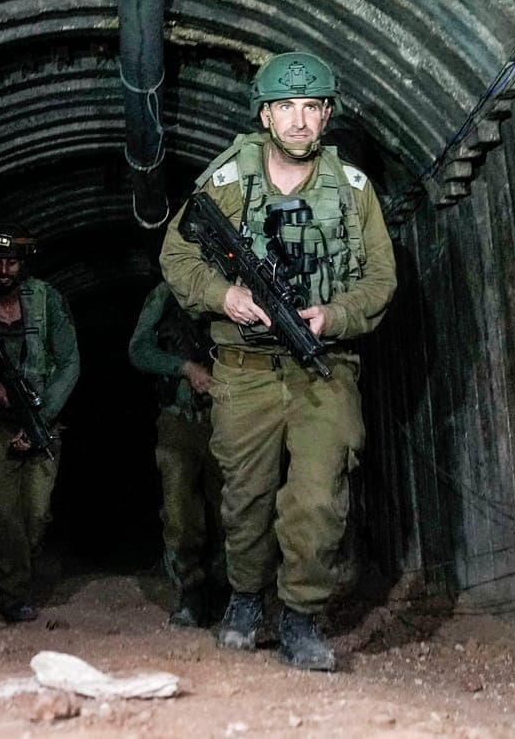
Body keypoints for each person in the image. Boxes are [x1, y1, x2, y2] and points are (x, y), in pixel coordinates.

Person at [157, 51, 395, 672]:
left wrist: (333, 316)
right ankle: (245, 596)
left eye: (310, 108)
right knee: (245, 498)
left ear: (325, 117)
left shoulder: (353, 190)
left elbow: (379, 280)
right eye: (285, 107)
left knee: (317, 497)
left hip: (325, 366)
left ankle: (301, 613)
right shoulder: (228, 183)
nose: (298, 120)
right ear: (265, 114)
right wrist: (225, 296)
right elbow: (177, 259)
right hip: (244, 370)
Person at [0, 228, 79, 622]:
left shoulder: (45, 301)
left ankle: (16, 575)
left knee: (36, 513)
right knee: (3, 512)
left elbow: (70, 362)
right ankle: (13, 592)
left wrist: (41, 417)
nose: (3, 269)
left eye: (12, 262)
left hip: (42, 422)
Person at [127, 277, 225, 628]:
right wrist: (184, 368)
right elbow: (138, 350)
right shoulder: (165, 294)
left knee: (233, 511)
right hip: (178, 420)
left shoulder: (238, 286)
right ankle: (192, 592)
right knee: (180, 514)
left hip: (228, 420)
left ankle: (229, 592)